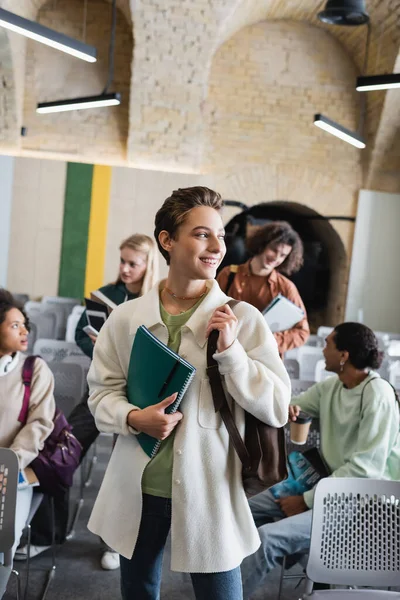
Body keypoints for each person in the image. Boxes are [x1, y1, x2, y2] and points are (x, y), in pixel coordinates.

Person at [87, 186, 291, 600]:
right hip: (138, 487)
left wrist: (232, 353)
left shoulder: (243, 319)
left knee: (221, 595)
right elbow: (100, 395)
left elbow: (276, 407)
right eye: (202, 234)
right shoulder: (126, 319)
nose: (217, 246)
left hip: (210, 486)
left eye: (219, 235)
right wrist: (132, 418)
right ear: (167, 240)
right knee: (139, 591)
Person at [17, 233, 159, 571]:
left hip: (141, 394)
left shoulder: (158, 299)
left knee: (123, 468)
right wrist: (103, 347)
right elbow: (83, 333)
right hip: (104, 387)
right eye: (122, 261)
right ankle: (48, 534)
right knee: (62, 451)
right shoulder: (105, 295)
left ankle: (114, 542)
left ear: (147, 265)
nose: (124, 268)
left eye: (132, 263)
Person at [241, 322, 400, 599]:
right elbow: (293, 402)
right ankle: (305, 556)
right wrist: (288, 407)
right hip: (325, 490)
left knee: (267, 540)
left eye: (328, 344)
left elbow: (366, 470)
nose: (322, 349)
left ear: (344, 355)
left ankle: (229, 594)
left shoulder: (378, 394)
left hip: (362, 505)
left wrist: (307, 501)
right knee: (239, 507)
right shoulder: (332, 387)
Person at [0, 289, 55, 598]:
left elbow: (39, 425)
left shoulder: (34, 370)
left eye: (24, 325)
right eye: (14, 325)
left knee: (3, 537)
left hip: (13, 475)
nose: (24, 332)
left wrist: (9, 464)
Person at [217, 221, 309, 355]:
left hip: (266, 359)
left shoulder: (286, 287)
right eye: (274, 250)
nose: (276, 258)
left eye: (283, 255)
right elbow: (210, 311)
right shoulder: (229, 274)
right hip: (227, 352)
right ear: (262, 244)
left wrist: (270, 340)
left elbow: (302, 331)